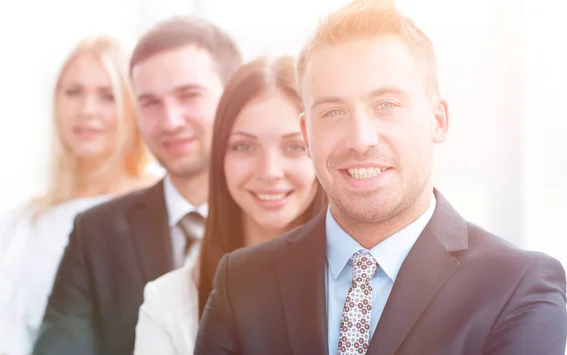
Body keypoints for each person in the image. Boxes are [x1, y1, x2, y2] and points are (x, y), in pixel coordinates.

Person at [194, 1, 567, 355]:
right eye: (334, 111)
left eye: (385, 105)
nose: (360, 139)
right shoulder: (240, 284)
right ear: (307, 135)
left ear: (437, 120)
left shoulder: (518, 288)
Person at [32, 18, 241, 355]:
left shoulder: (281, 219)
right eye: (150, 102)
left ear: (234, 96)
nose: (170, 121)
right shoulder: (95, 233)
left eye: (189, 96)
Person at [133, 56, 328, 355]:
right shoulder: (169, 302)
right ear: (220, 157)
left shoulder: (361, 286)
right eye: (244, 147)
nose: (269, 171)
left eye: (294, 147)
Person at [0, 36, 156, 355]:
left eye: (108, 96)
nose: (86, 110)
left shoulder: (153, 210)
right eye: (73, 92)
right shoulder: (24, 222)